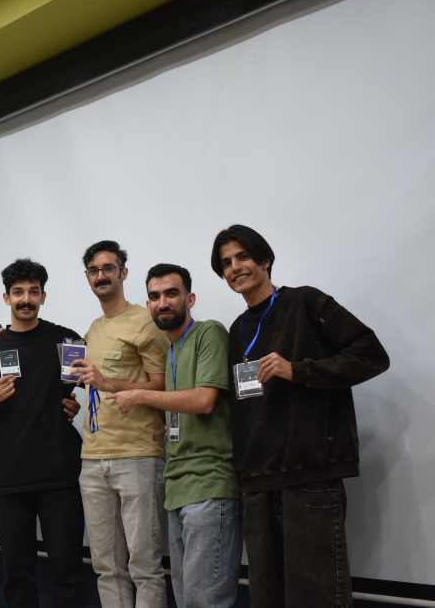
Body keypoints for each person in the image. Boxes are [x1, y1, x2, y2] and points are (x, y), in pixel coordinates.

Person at [211, 224, 389, 608]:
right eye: (226, 263)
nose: (235, 267)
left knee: (316, 597)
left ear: (265, 260)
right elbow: (244, 408)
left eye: (243, 256)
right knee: (266, 596)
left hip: (309, 478)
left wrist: (298, 370)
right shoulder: (238, 330)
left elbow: (371, 355)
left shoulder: (306, 303)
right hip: (258, 482)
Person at [108, 264, 241, 608]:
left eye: (171, 293)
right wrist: (106, 383)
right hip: (177, 487)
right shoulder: (170, 349)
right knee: (185, 599)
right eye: (154, 296)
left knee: (205, 600)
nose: (162, 302)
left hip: (209, 483)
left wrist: (140, 396)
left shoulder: (209, 333)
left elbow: (203, 400)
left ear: (190, 298)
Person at [0, 259, 84, 608]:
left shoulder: (66, 339)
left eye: (33, 292)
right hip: (9, 478)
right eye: (18, 292)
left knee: (67, 571)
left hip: (59, 476)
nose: (26, 299)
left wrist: (73, 403)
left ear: (43, 296)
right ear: (6, 298)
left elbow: (86, 389)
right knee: (17, 574)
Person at [69, 240, 169, 608]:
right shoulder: (93, 329)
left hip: (137, 454)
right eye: (93, 271)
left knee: (144, 566)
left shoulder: (146, 321)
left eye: (108, 268)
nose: (101, 276)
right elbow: (92, 383)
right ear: (87, 278)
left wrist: (108, 382)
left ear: (123, 273)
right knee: (106, 567)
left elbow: (163, 387)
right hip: (93, 458)